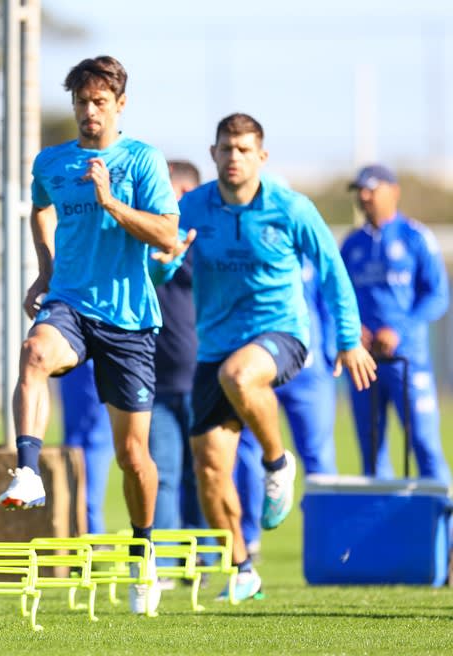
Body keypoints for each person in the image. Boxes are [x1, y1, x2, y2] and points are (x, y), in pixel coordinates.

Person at [166, 113, 377, 603]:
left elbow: (331, 270)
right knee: (211, 469)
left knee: (239, 375)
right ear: (213, 153)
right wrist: (163, 263)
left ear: (261, 156)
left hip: (281, 334)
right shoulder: (194, 207)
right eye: (226, 148)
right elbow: (167, 261)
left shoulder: (290, 207)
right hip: (215, 342)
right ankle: (243, 569)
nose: (234, 157)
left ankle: (277, 462)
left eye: (244, 149)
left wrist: (348, 339)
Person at [0, 55, 180, 614]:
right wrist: (46, 271)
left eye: (100, 102)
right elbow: (41, 210)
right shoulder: (52, 162)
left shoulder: (142, 159)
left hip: (127, 319)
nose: (89, 111)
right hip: (69, 304)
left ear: (120, 106)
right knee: (32, 353)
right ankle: (27, 470)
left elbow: (168, 234)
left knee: (133, 455)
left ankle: (143, 552)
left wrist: (110, 202)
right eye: (81, 101)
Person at [339, 164, 451, 483]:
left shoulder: (415, 237)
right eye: (360, 190)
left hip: (408, 362)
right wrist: (352, 329)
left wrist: (399, 329)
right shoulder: (352, 244)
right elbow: (337, 296)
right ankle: (383, 529)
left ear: (394, 192)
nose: (364, 196)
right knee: (372, 454)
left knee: (425, 447)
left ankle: (445, 529)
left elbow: (437, 296)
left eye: (372, 189)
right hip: (364, 364)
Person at [236, 254, 340, 558]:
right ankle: (248, 540)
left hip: (309, 373)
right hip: (261, 369)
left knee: (319, 455)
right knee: (250, 452)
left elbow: (331, 302)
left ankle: (328, 541)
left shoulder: (312, 247)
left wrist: (331, 352)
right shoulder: (253, 244)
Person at [147, 160, 201, 552]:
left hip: (204, 379)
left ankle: (202, 561)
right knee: (162, 473)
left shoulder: (207, 243)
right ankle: (163, 563)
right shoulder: (141, 240)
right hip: (155, 379)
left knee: (204, 472)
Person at [59, 361, 114, 535]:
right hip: (76, 432)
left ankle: (94, 540)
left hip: (97, 434)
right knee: (73, 492)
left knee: (89, 497)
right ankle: (83, 538)